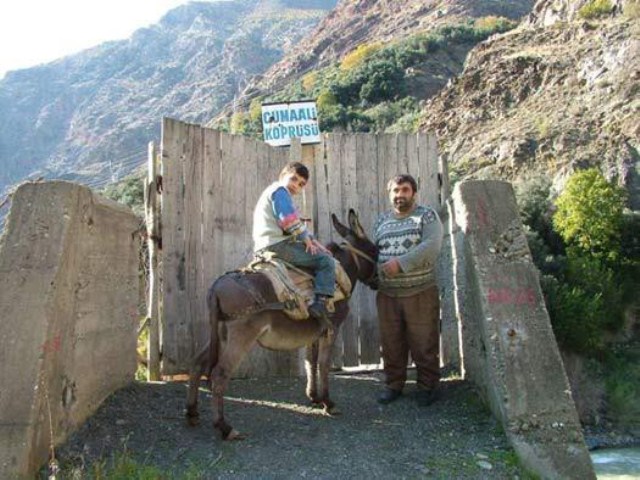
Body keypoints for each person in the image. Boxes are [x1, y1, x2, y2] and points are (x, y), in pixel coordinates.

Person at [373, 174, 443, 406]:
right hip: (387, 295)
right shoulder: (381, 221)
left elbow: (431, 246)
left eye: (404, 190)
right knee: (391, 343)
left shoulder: (426, 216)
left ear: (413, 193)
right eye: (395, 190)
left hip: (420, 292)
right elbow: (375, 253)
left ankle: (427, 387)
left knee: (424, 343)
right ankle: (393, 385)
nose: (399, 195)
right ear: (389, 194)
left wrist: (400, 263)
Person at [252, 161, 335, 326]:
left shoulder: (274, 192)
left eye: (301, 184)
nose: (296, 185)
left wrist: (316, 243)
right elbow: (289, 221)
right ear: (282, 176)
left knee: (320, 253)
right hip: (277, 245)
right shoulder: (280, 192)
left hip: (265, 245)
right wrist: (307, 241)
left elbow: (297, 225)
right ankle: (320, 303)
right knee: (326, 261)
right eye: (293, 179)